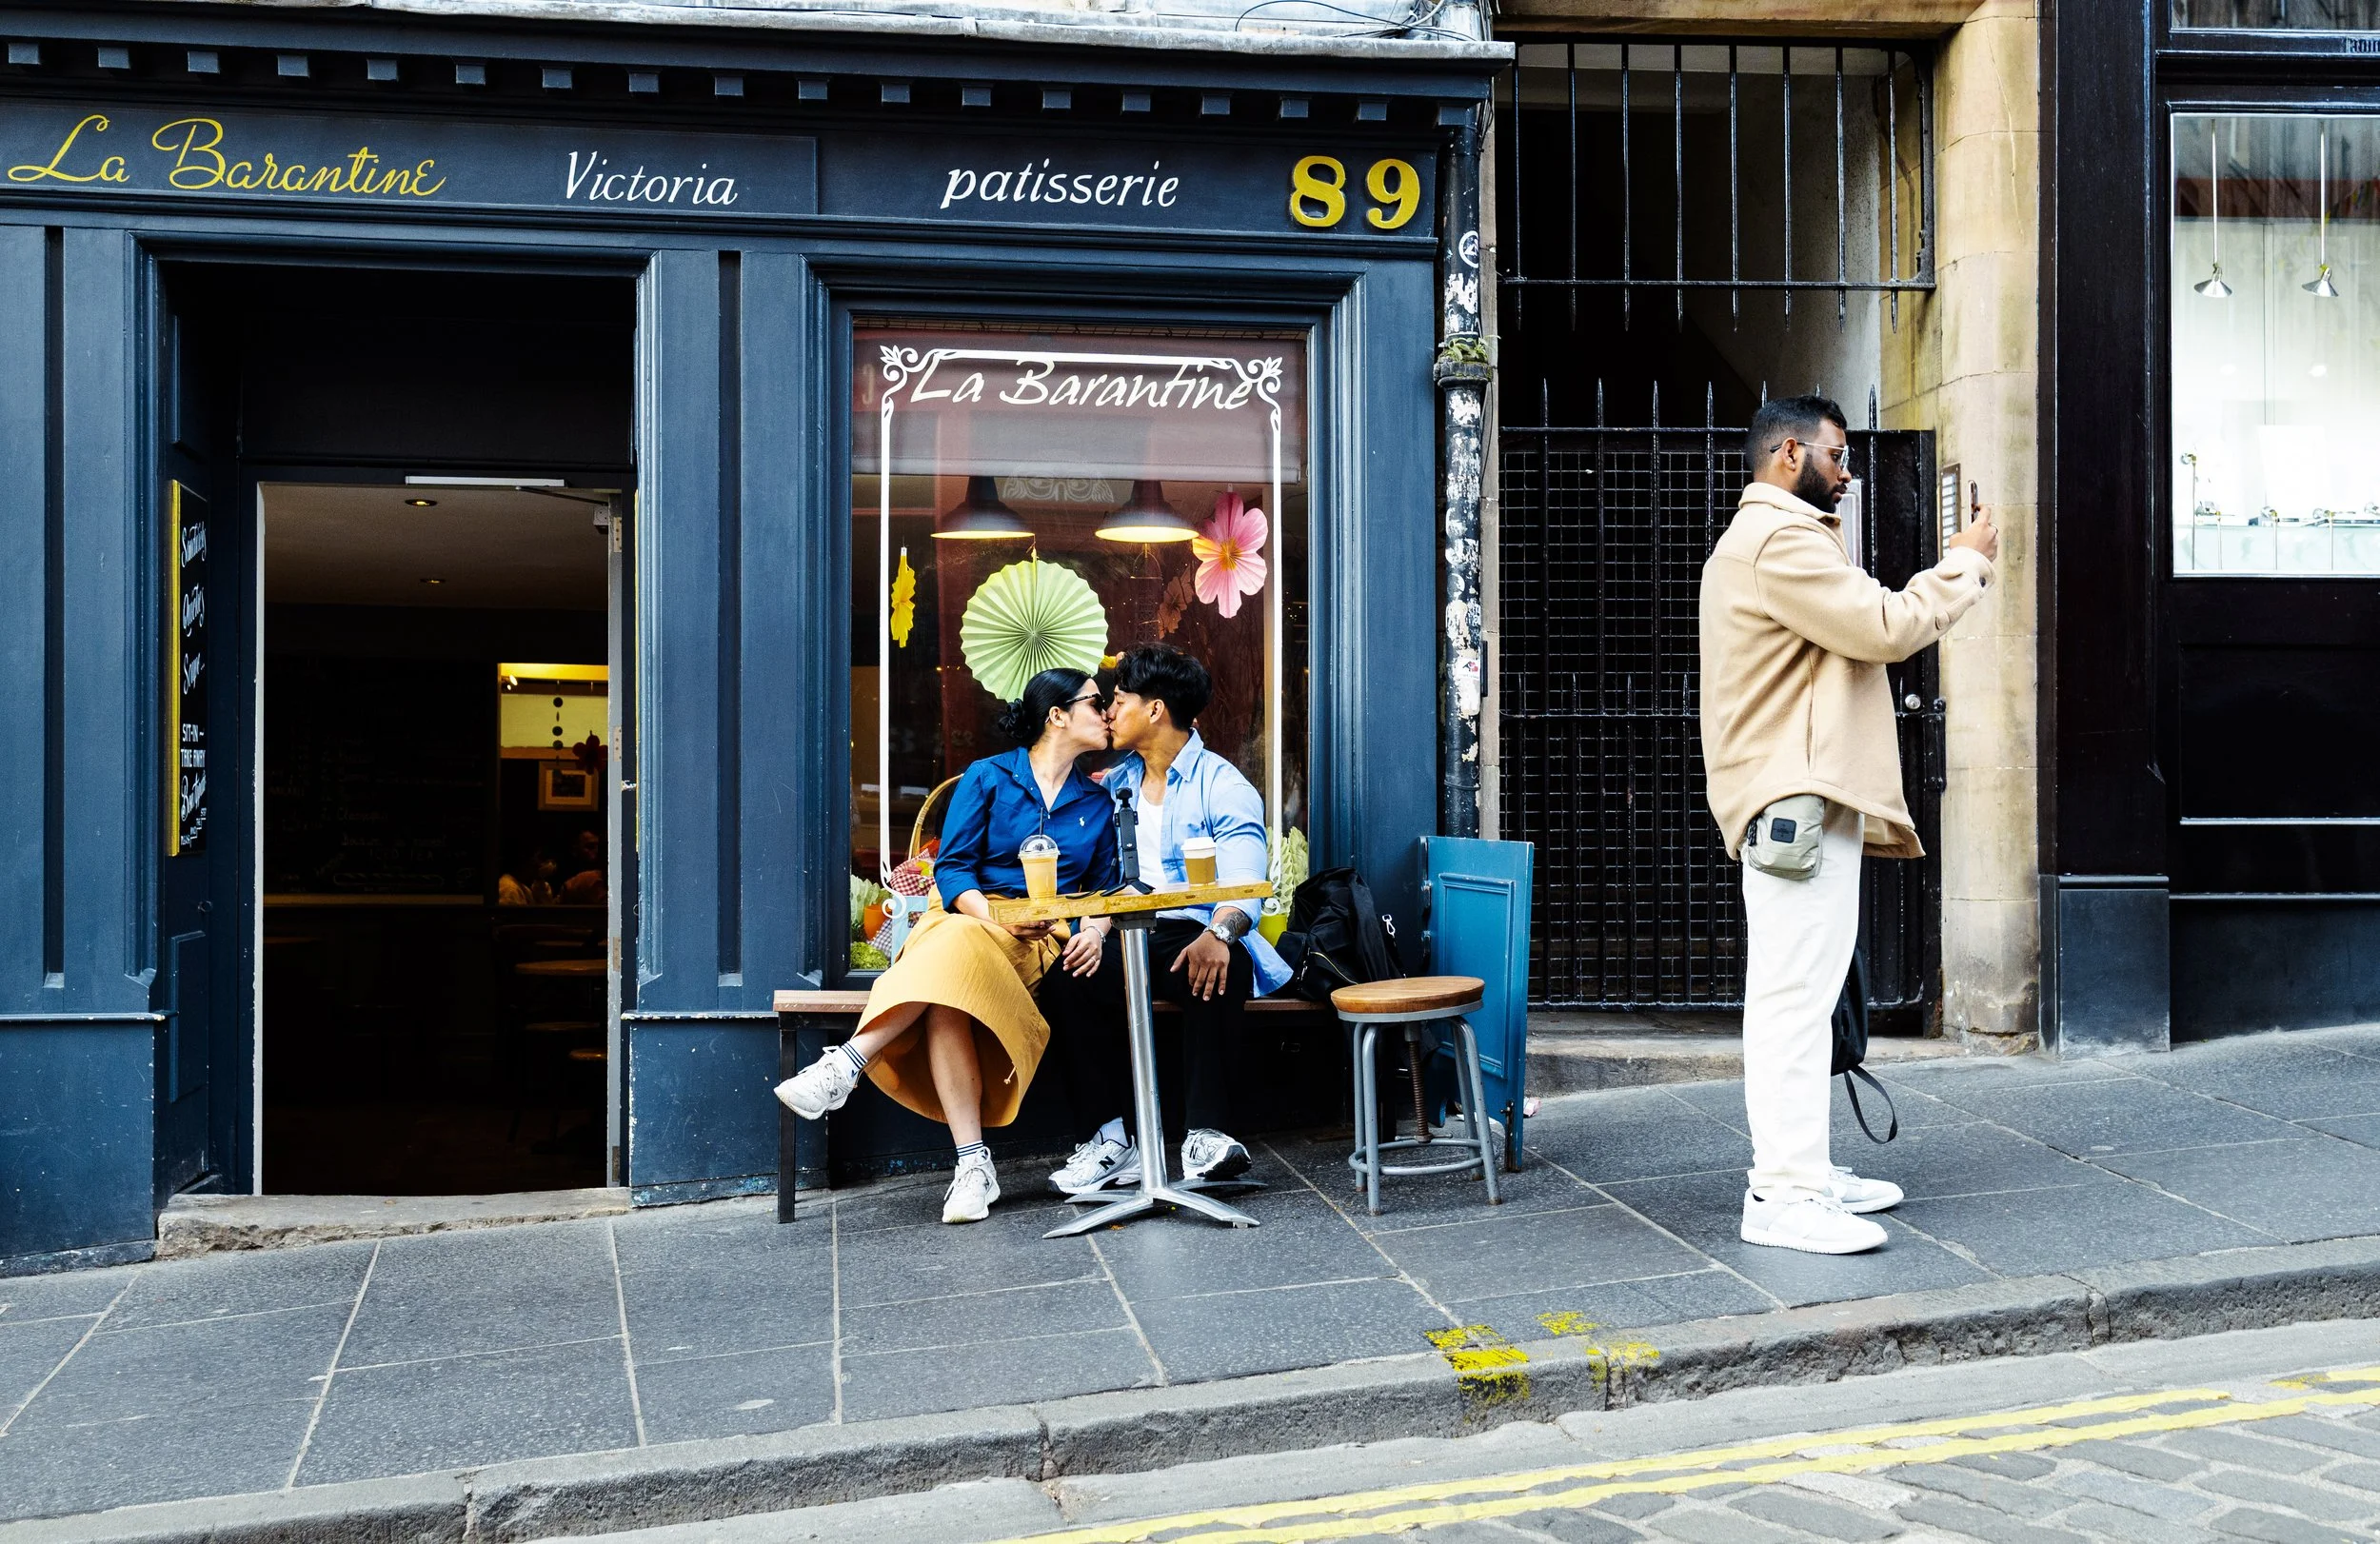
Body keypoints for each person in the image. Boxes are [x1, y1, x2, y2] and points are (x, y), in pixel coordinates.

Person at [1698, 394, 1997, 1256]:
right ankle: (1782, 1196)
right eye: (1837, 454)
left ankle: (1807, 1172)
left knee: (1804, 995)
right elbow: (1884, 626)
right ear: (1789, 454)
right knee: (1794, 1001)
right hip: (1793, 799)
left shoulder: (1777, 538)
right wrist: (1964, 565)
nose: (1848, 471)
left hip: (1802, 797)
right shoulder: (1778, 539)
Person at [774, 667, 1119, 1224]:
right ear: (1057, 715)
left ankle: (852, 1065)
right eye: (1096, 702)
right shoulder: (987, 777)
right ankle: (971, 1165)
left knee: (946, 975)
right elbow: (953, 868)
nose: (1107, 713)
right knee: (953, 961)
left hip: (1040, 939)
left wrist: (1094, 933)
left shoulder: (1098, 803)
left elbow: (1104, 891)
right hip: (971, 916)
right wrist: (995, 918)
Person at [1039, 643, 1290, 1195]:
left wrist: (1219, 934)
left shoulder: (1222, 785)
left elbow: (1247, 884)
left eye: (1119, 700)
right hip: (1125, 931)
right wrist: (1092, 928)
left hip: (1194, 928)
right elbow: (1099, 878)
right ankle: (1109, 1142)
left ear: (1154, 709)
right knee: (1067, 979)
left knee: (1218, 968)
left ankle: (1206, 1135)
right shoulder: (1112, 784)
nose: (1109, 712)